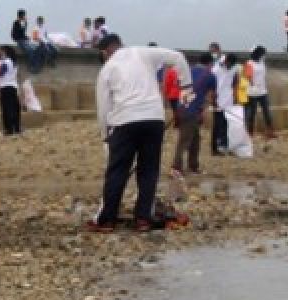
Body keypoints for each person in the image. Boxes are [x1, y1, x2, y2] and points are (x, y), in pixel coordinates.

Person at [87, 36, 192, 231]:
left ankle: (107, 220)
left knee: (117, 171)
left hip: (124, 122)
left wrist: (105, 135)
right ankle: (143, 218)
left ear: (104, 52)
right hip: (153, 119)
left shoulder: (107, 69)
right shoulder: (144, 53)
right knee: (149, 170)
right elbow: (178, 58)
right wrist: (187, 91)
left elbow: (103, 108)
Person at [171, 52, 216, 177]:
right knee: (184, 140)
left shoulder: (188, 71)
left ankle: (193, 166)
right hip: (191, 111)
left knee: (195, 139)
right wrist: (213, 105)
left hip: (183, 108)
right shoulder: (210, 75)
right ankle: (176, 168)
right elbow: (212, 95)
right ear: (210, 63)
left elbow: (179, 87)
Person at [243, 45, 275, 138]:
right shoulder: (249, 63)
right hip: (252, 92)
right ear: (258, 54)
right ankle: (249, 133)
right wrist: (253, 85)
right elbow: (248, 76)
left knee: (267, 112)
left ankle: (270, 131)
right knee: (251, 113)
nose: (264, 56)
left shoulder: (262, 62)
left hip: (263, 92)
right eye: (262, 54)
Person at [0, 45, 21, 136]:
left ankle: (9, 130)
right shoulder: (14, 63)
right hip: (13, 87)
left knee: (6, 109)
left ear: (5, 52)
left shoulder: (5, 62)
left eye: (1, 52)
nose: (0, 53)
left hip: (5, 87)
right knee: (15, 108)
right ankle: (17, 128)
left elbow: (0, 73)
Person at [210, 50, 235, 155]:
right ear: (226, 61)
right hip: (218, 101)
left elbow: (234, 81)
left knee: (227, 124)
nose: (230, 66)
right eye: (229, 64)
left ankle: (225, 146)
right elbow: (211, 85)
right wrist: (213, 100)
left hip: (229, 101)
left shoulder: (233, 69)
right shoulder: (216, 70)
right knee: (217, 125)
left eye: (232, 65)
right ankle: (214, 148)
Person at [11, 8, 45, 74]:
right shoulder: (16, 23)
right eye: (24, 15)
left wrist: (27, 37)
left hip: (24, 40)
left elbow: (23, 33)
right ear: (21, 16)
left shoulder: (23, 23)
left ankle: (37, 65)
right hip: (20, 41)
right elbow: (16, 35)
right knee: (30, 51)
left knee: (37, 48)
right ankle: (32, 66)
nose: (25, 17)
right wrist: (23, 38)